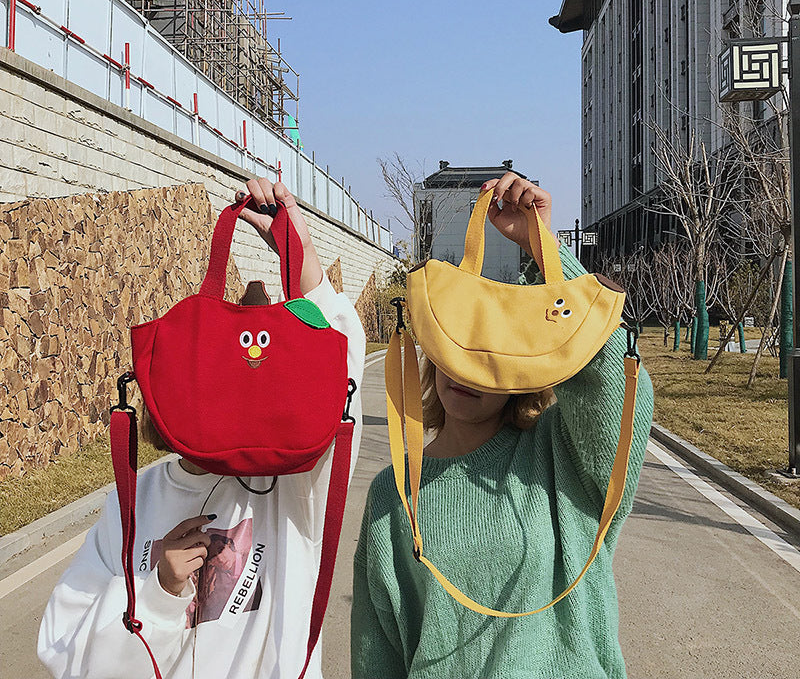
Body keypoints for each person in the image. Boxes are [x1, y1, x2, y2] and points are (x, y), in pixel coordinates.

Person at [38, 178, 366, 679]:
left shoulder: (296, 487)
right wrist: (159, 592)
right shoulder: (135, 502)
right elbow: (65, 649)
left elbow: (339, 373)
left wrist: (302, 259)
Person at [351, 173, 654, 679]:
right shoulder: (393, 493)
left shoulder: (561, 458)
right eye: (460, 343)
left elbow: (616, 383)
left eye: (495, 353)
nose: (468, 369)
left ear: (523, 369)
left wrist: (545, 250)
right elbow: (376, 650)